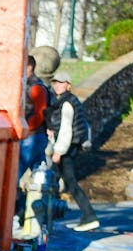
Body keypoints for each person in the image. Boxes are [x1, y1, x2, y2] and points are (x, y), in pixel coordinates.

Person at [46, 71, 99, 232]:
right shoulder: (68, 101)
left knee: (69, 182)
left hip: (67, 148)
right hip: (71, 146)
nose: (57, 85)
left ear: (68, 85)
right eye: (55, 82)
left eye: (61, 83)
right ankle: (86, 216)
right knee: (64, 181)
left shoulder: (67, 103)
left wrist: (58, 151)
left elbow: (66, 129)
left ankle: (89, 216)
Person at [15, 55, 51, 225]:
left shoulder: (35, 87)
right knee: (37, 180)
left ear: (29, 67)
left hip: (33, 137)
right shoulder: (31, 85)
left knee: (16, 174)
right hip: (36, 137)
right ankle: (27, 216)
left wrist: (28, 130)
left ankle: (20, 213)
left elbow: (40, 112)